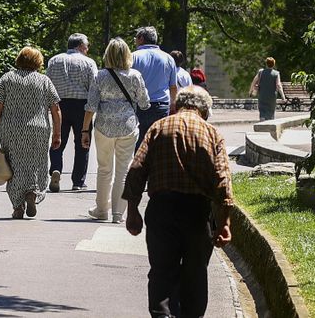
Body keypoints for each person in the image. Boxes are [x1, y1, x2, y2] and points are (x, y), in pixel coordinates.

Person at [123, 86, 234, 318]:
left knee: (162, 271)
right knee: (196, 273)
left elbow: (136, 169)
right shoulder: (212, 133)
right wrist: (224, 222)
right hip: (197, 212)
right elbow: (222, 179)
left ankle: (163, 315)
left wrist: (132, 210)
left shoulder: (158, 127)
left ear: (176, 105)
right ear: (205, 110)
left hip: (162, 209)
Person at [81, 37, 150, 224]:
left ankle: (101, 210)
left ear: (108, 55)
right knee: (123, 170)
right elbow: (144, 103)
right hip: (128, 126)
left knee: (104, 169)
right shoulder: (135, 75)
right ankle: (118, 213)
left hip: (103, 126)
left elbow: (91, 106)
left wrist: (85, 130)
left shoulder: (100, 76)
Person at [0, 46, 62, 219]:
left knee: (13, 165)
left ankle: (18, 207)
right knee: (37, 163)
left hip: (11, 129)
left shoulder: (7, 78)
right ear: (38, 62)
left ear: (19, 59)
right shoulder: (44, 81)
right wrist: (57, 134)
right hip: (38, 130)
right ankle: (32, 192)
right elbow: (55, 109)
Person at [46, 33, 99, 192]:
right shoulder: (88, 62)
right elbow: (94, 87)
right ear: (81, 46)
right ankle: (78, 181)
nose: (87, 49)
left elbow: (48, 84)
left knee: (58, 139)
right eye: (87, 46)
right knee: (83, 142)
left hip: (59, 104)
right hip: (82, 106)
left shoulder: (54, 60)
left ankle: (56, 169)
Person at [131, 27, 178, 148]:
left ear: (141, 39)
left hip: (138, 106)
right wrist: (173, 104)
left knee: (139, 144)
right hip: (161, 107)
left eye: (136, 38)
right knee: (158, 144)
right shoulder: (168, 58)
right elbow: (173, 86)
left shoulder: (133, 57)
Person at [249, 57, 284, 121]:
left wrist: (250, 91)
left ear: (266, 64)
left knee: (262, 112)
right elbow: (279, 85)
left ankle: (262, 123)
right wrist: (283, 97)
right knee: (271, 113)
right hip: (272, 97)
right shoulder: (276, 73)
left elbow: (254, 82)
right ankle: (269, 124)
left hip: (262, 95)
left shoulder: (261, 72)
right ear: (274, 64)